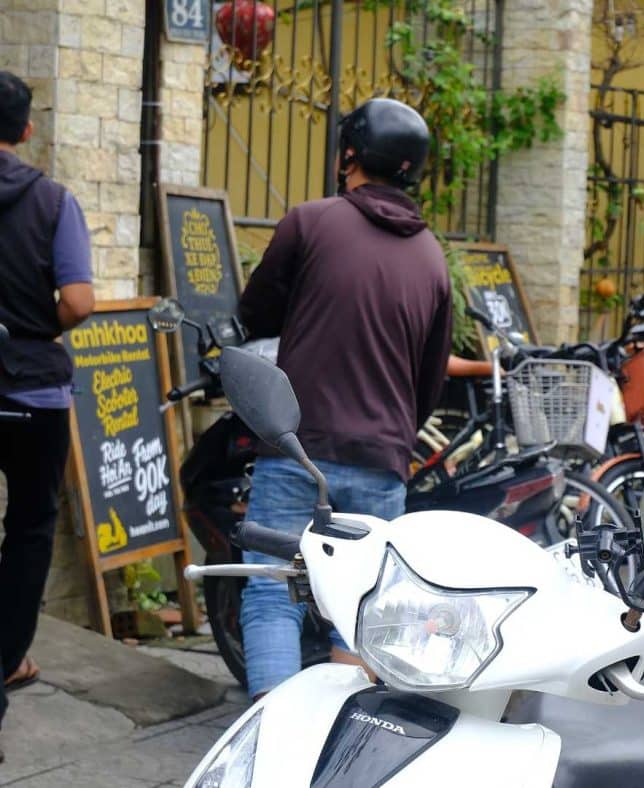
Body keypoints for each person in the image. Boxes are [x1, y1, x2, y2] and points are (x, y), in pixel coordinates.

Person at [237, 97, 453, 698]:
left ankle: (276, 744)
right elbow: (429, 381)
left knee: (271, 591)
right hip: (383, 460)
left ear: (350, 156)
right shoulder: (432, 259)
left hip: (296, 446)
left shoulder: (311, 223)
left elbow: (254, 315)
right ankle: (333, 753)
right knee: (358, 611)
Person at [0, 71, 95, 762]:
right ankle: (7, 656)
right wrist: (39, 324)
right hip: (32, 392)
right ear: (27, 129)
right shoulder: (53, 201)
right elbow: (81, 301)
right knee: (30, 525)